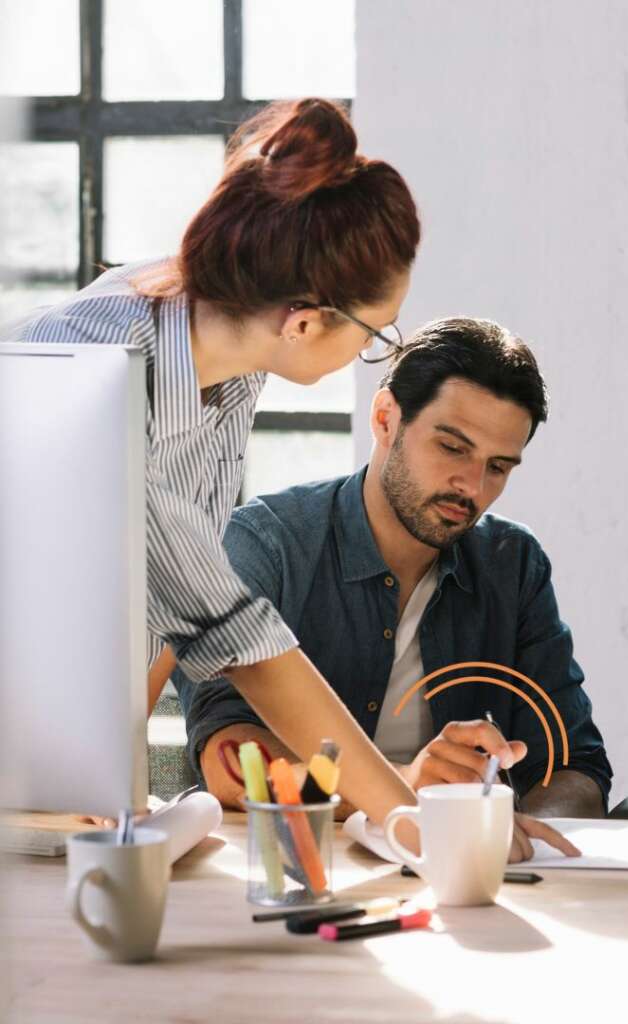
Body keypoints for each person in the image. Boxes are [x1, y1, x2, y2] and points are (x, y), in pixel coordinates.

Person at [4, 97, 449, 828]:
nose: (373, 355)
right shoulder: (103, 376)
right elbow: (244, 644)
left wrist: (112, 787)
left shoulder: (227, 351)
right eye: (376, 334)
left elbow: (156, 602)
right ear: (304, 322)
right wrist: (415, 826)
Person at [179, 317, 609, 861]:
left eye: (498, 467)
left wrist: (514, 826)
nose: (472, 487)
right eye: (452, 447)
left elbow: (577, 767)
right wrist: (405, 793)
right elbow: (228, 757)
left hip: (454, 873)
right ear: (386, 418)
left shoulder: (512, 564)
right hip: (289, 869)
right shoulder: (266, 543)